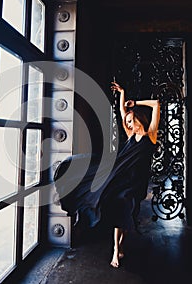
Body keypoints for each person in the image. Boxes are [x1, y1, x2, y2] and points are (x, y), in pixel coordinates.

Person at [53, 81, 160, 268]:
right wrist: (122, 94)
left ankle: (119, 246)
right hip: (120, 176)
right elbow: (121, 112)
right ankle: (115, 251)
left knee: (129, 211)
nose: (128, 124)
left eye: (131, 120)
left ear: (138, 119)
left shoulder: (150, 135)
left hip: (136, 182)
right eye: (126, 122)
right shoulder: (130, 135)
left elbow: (156, 104)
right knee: (118, 207)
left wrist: (134, 104)